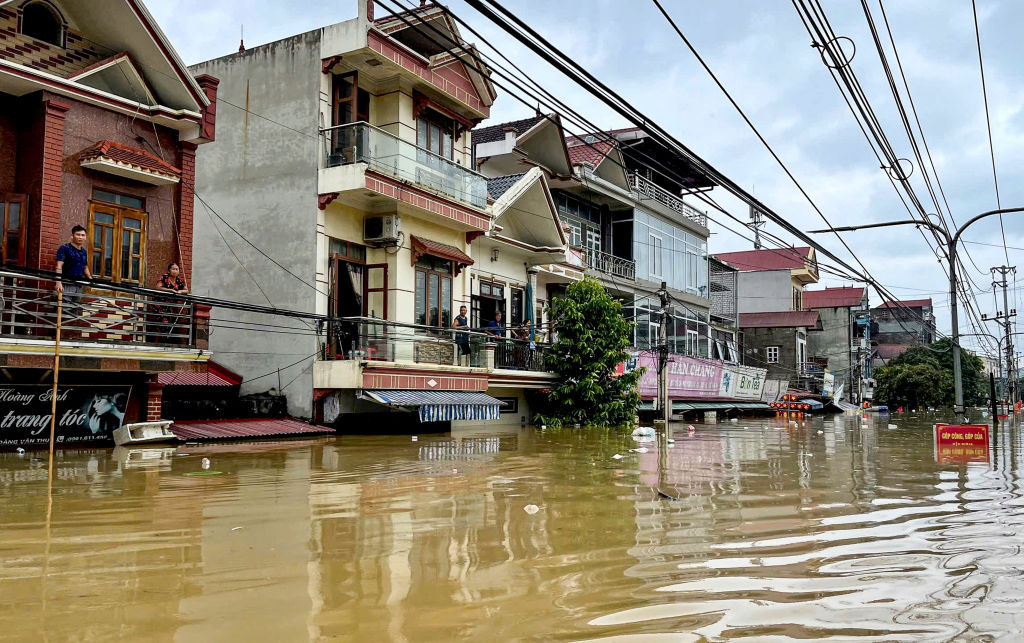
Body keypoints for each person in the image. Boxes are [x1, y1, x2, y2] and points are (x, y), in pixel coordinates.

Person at [154, 262, 189, 341]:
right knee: (163, 322)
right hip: (160, 305)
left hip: (171, 306)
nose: (175, 271)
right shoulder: (164, 278)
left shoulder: (179, 280)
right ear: (169, 270)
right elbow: (158, 288)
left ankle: (166, 340)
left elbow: (187, 290)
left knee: (170, 323)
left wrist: (180, 291)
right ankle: (160, 340)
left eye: (177, 269)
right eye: (173, 269)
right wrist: (170, 290)